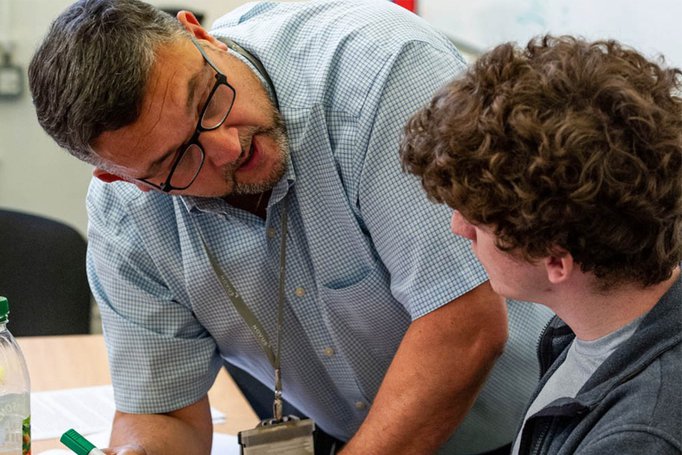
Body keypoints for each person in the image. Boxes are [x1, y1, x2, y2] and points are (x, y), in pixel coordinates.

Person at [28, 1, 551, 454]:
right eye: (179, 160)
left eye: (208, 99)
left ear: (201, 35)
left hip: (539, 422)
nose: (228, 147)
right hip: (360, 436)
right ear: (124, 179)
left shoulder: (377, 71)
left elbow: (465, 325)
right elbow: (165, 414)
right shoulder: (127, 217)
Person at [400, 35, 682, 455]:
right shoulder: (589, 326)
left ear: (555, 260)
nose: (459, 228)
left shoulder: (637, 438)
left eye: (478, 220)